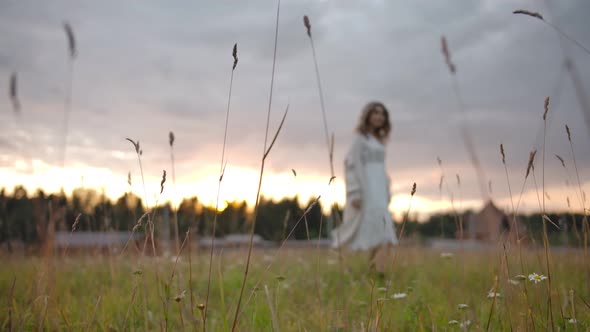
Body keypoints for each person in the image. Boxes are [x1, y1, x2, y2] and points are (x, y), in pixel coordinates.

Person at [331, 101, 398, 271]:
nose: (379, 116)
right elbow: (350, 164)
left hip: (379, 193)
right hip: (365, 191)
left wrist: (387, 191)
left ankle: (374, 271)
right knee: (356, 230)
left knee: (384, 234)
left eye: (382, 113)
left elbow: (382, 169)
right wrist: (354, 193)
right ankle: (344, 270)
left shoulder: (380, 141)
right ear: (368, 116)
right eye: (375, 112)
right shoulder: (359, 140)